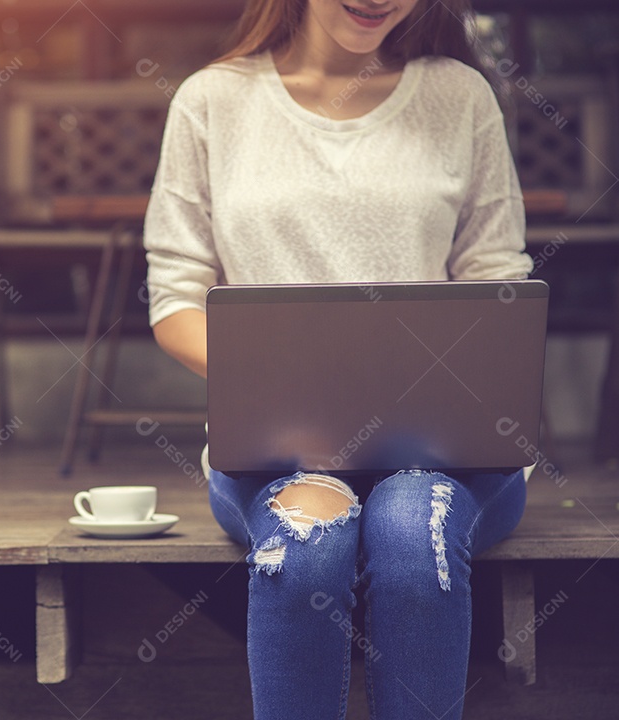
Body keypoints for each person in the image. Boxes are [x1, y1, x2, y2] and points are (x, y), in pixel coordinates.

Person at [143, 0, 532, 718]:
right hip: (276, 454)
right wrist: (284, 394)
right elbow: (174, 299)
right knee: (308, 548)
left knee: (414, 532)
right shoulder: (211, 101)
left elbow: (496, 280)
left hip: (447, 454)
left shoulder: (459, 95)